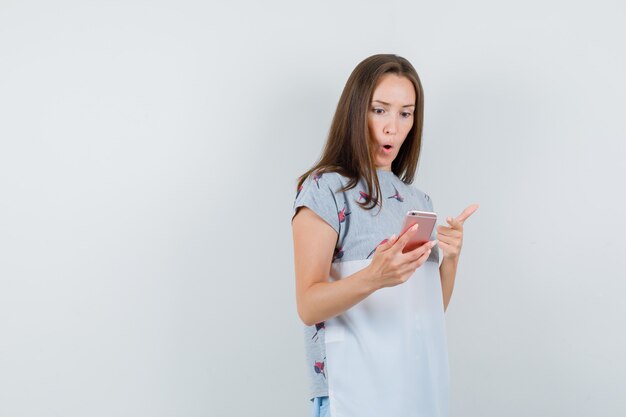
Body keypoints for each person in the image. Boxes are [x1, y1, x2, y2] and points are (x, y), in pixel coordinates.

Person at [291, 54, 478, 417]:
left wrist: (451, 259)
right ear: (356, 111)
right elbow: (308, 305)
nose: (393, 126)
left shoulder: (417, 200)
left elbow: (425, 312)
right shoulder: (324, 188)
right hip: (352, 390)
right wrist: (375, 276)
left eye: (405, 113)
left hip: (410, 385)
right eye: (380, 110)